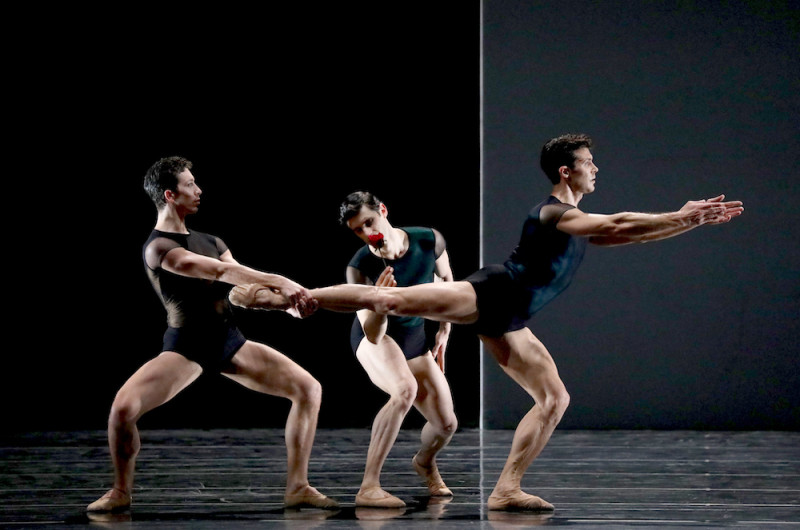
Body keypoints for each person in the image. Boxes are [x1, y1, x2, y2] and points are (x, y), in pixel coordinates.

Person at [230, 133, 744, 511]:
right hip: (493, 292)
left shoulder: (574, 219)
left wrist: (685, 222)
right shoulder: (551, 213)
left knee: (554, 398)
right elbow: (614, 223)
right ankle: (286, 296)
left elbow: (622, 235)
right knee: (387, 299)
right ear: (566, 171)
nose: (595, 169)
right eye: (588, 163)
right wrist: (681, 212)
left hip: (513, 315)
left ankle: (506, 489)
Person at [87, 156, 337, 512]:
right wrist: (282, 282)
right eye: (190, 184)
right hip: (186, 346)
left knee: (309, 389)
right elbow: (219, 272)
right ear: (171, 195)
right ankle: (120, 492)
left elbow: (240, 289)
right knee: (123, 410)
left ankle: (298, 487)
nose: (198, 189)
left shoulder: (213, 240)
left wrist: (283, 303)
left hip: (229, 341)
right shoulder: (157, 248)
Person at [338, 191, 458, 508]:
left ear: (383, 210)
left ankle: (425, 462)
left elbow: (447, 282)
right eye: (358, 230)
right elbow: (374, 334)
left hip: (415, 338)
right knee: (404, 389)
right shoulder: (361, 267)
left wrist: (444, 330)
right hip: (375, 338)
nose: (368, 233)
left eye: (369, 222)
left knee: (447, 424)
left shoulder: (429, 240)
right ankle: (369, 487)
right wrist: (380, 304)